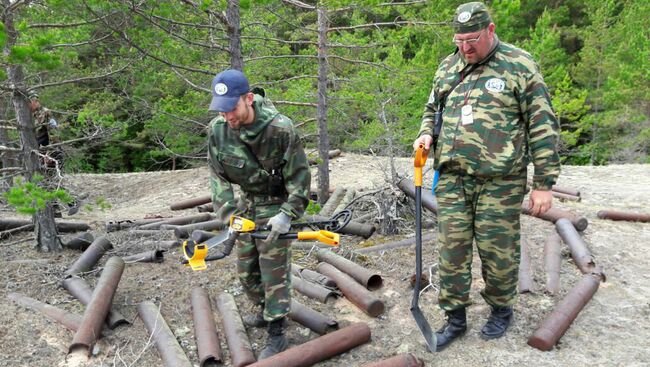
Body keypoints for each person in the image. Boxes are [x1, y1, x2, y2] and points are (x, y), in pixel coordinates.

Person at [412, 2, 560, 351]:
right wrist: (425, 134)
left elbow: (542, 125)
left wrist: (543, 184)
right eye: (460, 39)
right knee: (452, 251)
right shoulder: (448, 66)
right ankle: (455, 317)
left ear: (491, 30)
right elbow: (432, 108)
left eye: (473, 39)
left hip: (501, 180)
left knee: (499, 251)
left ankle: (500, 309)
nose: (466, 48)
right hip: (452, 178)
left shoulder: (520, 65)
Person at [206, 69, 311, 359]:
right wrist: (229, 216)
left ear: (249, 99)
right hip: (245, 206)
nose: (228, 116)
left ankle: (277, 330)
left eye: (233, 108)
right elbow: (218, 178)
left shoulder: (280, 129)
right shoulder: (218, 130)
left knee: (273, 271)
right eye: (222, 110)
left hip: (276, 204)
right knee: (247, 272)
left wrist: (288, 214)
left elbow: (300, 179)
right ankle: (265, 311)